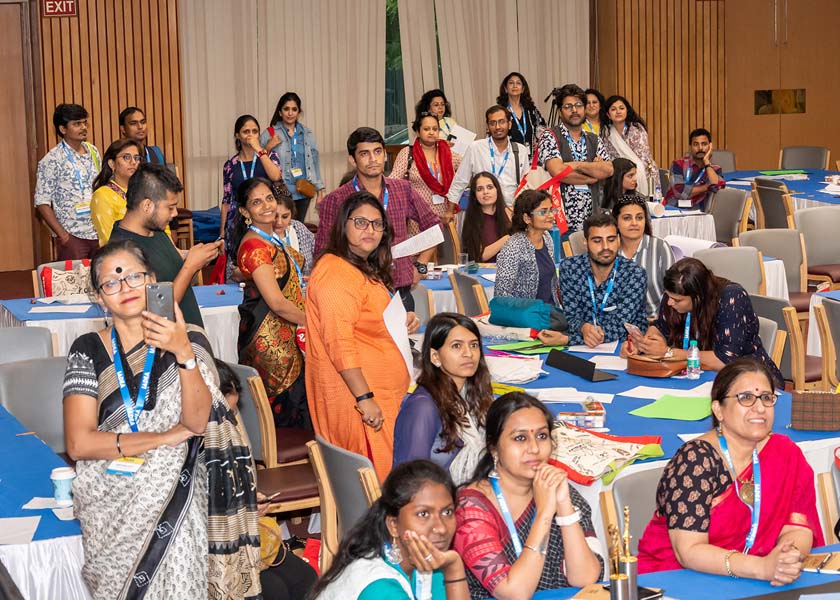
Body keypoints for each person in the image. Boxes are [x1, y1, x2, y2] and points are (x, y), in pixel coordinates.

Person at [63, 240, 260, 599]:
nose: (124, 288)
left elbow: (197, 423)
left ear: (152, 281)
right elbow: (79, 443)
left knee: (181, 550)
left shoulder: (190, 339)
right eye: (111, 283)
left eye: (134, 277)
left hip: (180, 488)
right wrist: (159, 438)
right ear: (99, 297)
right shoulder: (87, 350)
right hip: (111, 499)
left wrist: (183, 353)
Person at [638, 358, 823, 582]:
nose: (760, 408)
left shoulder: (786, 454)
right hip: (678, 580)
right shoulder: (695, 461)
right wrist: (760, 567)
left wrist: (785, 557)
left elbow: (799, 526)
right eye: (746, 398)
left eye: (766, 398)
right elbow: (688, 551)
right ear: (719, 410)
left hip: (757, 579)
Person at [306, 192, 420, 480]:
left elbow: (366, 320)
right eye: (360, 222)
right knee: (376, 483)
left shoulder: (359, 266)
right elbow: (339, 343)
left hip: (382, 392)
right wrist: (365, 398)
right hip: (359, 399)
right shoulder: (335, 273)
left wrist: (400, 321)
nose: (370, 230)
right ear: (343, 225)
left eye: (377, 224)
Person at [453, 392, 603, 599]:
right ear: (493, 448)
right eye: (520, 438)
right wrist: (544, 514)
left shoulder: (556, 488)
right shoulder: (471, 509)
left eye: (542, 436)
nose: (534, 448)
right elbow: (514, 593)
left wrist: (564, 506)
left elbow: (584, 578)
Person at [215, 359, 318, 599]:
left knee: (306, 578)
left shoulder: (227, 436)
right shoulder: (188, 451)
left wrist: (249, 501)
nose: (230, 420)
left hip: (245, 534)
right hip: (217, 551)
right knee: (275, 589)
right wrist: (242, 511)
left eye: (233, 413)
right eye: (225, 414)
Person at [315, 127, 440, 313]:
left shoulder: (402, 189)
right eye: (364, 153)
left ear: (385, 155)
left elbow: (434, 226)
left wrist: (421, 264)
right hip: (357, 291)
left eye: (378, 151)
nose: (373, 159)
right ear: (352, 160)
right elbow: (322, 252)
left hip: (399, 287)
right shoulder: (336, 199)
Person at [308, 460, 469, 599]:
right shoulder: (378, 586)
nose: (441, 528)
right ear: (393, 525)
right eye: (423, 514)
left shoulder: (429, 562)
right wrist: (454, 570)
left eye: (447, 512)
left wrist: (452, 565)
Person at [625, 258, 784, 385]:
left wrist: (668, 353)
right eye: (668, 296)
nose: (669, 303)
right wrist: (646, 344)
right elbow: (660, 326)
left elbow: (725, 360)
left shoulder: (731, 298)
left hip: (748, 378)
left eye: (677, 300)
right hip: (696, 376)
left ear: (698, 297)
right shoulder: (674, 296)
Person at [234, 177, 308, 428]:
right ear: (245, 212)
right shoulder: (255, 246)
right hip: (271, 342)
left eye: (269, 198)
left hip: (287, 331)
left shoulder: (270, 237)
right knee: (284, 417)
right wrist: (313, 321)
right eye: (256, 202)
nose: (266, 206)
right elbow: (276, 302)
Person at [111, 163, 222, 328]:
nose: (175, 213)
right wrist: (190, 266)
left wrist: (198, 257)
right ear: (147, 206)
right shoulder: (122, 252)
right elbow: (158, 310)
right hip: (166, 341)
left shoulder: (155, 230)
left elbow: (173, 271)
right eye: (170, 207)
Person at [393, 313, 493, 484]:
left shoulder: (472, 393)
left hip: (471, 488)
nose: (469, 353)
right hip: (438, 496)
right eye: (456, 346)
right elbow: (411, 482)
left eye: (474, 345)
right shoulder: (423, 408)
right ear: (435, 357)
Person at [554, 211, 647, 347]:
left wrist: (568, 340)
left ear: (618, 239)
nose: (605, 247)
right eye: (597, 241)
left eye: (611, 240)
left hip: (624, 347)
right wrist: (583, 327)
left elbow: (620, 327)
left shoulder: (634, 274)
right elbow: (571, 316)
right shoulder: (570, 268)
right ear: (585, 241)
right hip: (582, 349)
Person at [537, 84, 613, 232]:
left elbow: (608, 170)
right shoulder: (550, 136)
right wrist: (593, 174)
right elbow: (558, 171)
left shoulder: (594, 139)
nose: (574, 110)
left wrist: (576, 165)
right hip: (559, 220)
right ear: (560, 111)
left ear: (584, 109)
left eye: (578, 105)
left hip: (592, 221)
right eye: (568, 106)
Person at [34, 103, 101, 260]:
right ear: (63, 129)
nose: (83, 127)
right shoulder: (52, 159)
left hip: (98, 230)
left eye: (84, 123)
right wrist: (63, 236)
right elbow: (42, 202)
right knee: (74, 276)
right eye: (77, 124)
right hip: (73, 235)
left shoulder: (93, 151)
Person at [220, 114, 284, 279]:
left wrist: (259, 150)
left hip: (264, 217)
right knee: (239, 267)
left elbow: (276, 176)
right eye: (246, 131)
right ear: (237, 135)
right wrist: (222, 235)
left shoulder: (269, 157)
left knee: (266, 260)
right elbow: (226, 201)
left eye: (255, 131)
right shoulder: (231, 165)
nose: (250, 135)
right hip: (238, 219)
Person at [448, 105, 530, 209]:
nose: (497, 127)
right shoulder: (475, 148)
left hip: (511, 209)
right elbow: (460, 181)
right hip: (483, 210)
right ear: (487, 126)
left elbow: (525, 185)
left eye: (501, 122)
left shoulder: (520, 150)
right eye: (493, 123)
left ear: (509, 124)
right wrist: (450, 210)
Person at [260, 92, 326, 219]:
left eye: (294, 109)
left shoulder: (307, 133)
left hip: (303, 191)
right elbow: (257, 161)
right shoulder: (270, 133)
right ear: (280, 112)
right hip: (280, 192)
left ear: (298, 113)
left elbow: (315, 163)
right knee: (281, 226)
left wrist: (320, 193)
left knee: (298, 225)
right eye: (286, 109)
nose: (290, 113)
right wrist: (268, 147)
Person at [390, 111, 462, 227]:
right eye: (426, 129)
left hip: (446, 215)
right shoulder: (408, 153)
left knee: (447, 240)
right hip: (418, 217)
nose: (431, 132)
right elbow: (392, 182)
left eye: (435, 129)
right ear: (418, 132)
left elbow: (467, 168)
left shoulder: (447, 152)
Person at [494, 190, 561, 310]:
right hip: (526, 315)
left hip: (551, 311)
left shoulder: (547, 238)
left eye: (551, 210)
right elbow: (501, 294)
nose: (551, 215)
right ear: (527, 218)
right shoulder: (514, 246)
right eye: (543, 212)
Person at [612, 193, 675, 319]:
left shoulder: (660, 248)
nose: (634, 223)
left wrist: (659, 322)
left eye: (639, 218)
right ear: (616, 222)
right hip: (616, 323)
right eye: (627, 218)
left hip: (655, 321)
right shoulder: (609, 251)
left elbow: (674, 293)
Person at [600, 95, 658, 196]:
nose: (618, 112)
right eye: (613, 109)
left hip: (644, 172)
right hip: (618, 177)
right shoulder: (606, 133)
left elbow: (643, 157)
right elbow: (608, 159)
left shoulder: (636, 129)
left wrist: (632, 175)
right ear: (608, 115)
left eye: (621, 108)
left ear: (627, 111)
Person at [91, 139, 141, 244]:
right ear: (112, 164)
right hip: (122, 252)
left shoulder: (145, 191)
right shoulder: (102, 196)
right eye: (126, 157)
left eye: (136, 158)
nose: (133, 162)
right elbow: (108, 239)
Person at [664, 127, 726, 211]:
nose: (700, 148)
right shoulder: (678, 164)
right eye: (696, 144)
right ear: (690, 147)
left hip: (700, 212)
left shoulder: (715, 169)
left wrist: (706, 163)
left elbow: (718, 187)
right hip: (674, 209)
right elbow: (680, 192)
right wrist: (707, 187)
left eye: (704, 144)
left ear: (710, 146)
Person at [460, 172, 511, 263]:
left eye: (490, 187)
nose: (485, 192)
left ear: (497, 190)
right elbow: (478, 257)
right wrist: (507, 238)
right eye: (480, 189)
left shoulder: (509, 213)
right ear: (474, 195)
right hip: (483, 269)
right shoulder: (472, 220)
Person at [496, 72, 546, 158]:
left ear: (523, 89)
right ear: (506, 88)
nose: (515, 86)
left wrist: (539, 142)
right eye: (511, 83)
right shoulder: (500, 111)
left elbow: (542, 129)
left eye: (518, 83)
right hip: (508, 158)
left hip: (531, 158)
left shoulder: (531, 110)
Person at [273, 192, 315, 275]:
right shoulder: (261, 235)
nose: (279, 222)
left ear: (291, 215)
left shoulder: (299, 228)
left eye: (285, 216)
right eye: (275, 216)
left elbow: (317, 251)